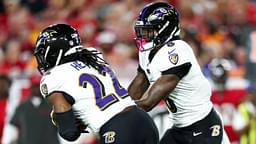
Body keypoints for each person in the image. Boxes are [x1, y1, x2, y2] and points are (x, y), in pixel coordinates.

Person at [33, 23, 159, 144]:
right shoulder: (95, 56)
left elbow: (69, 133)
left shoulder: (52, 77)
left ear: (55, 51)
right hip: (143, 120)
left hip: (116, 129)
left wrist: (63, 118)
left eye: (43, 53)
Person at [128, 2, 230, 144]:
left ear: (165, 29)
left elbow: (148, 103)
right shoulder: (148, 52)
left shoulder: (177, 51)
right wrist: (120, 104)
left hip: (203, 127)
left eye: (149, 30)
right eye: (142, 31)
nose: (144, 36)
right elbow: (138, 85)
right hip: (179, 128)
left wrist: (116, 112)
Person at [8, 75, 60, 144]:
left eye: (39, 87)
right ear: (31, 87)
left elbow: (61, 124)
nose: (37, 89)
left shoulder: (52, 105)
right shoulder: (22, 106)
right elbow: (14, 125)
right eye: (35, 86)